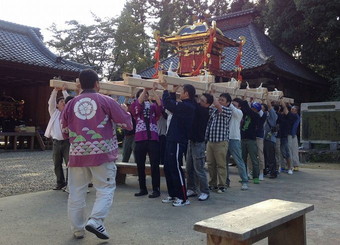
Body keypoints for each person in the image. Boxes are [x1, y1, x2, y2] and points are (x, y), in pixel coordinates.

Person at [61, 69, 132, 240]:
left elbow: (64, 131)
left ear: (79, 84)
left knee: (76, 192)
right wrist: (125, 111)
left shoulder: (70, 104)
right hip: (102, 153)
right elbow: (127, 124)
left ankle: (78, 229)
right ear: (97, 84)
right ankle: (96, 220)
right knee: (105, 188)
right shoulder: (105, 100)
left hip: (77, 154)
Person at [160, 83, 196, 207]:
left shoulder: (188, 106)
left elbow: (169, 104)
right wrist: (173, 92)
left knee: (175, 168)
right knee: (168, 167)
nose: (180, 93)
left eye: (182, 91)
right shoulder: (183, 105)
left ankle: (183, 197)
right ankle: (173, 194)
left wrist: (166, 90)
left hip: (178, 140)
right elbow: (172, 105)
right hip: (171, 138)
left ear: (187, 93)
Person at [130, 86, 162, 198]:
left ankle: (156, 189)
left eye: (146, 95)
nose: (145, 96)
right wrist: (144, 89)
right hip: (140, 138)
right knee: (140, 165)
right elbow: (138, 103)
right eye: (143, 94)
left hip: (153, 138)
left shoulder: (153, 106)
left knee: (154, 165)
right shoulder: (135, 105)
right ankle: (142, 188)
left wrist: (153, 91)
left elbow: (160, 105)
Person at [186, 93, 213, 201]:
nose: (199, 102)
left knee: (199, 169)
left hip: (199, 143)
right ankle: (192, 188)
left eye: (202, 100)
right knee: (189, 167)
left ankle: (205, 191)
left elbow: (193, 104)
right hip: (191, 141)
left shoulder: (204, 111)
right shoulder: (198, 109)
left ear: (207, 104)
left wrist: (190, 94)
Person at [205, 93, 232, 193]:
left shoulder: (228, 111)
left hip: (221, 142)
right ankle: (212, 184)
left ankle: (222, 185)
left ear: (228, 103)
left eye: (222, 100)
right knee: (210, 164)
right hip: (211, 141)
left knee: (221, 164)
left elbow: (217, 105)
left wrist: (212, 93)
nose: (220, 101)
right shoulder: (214, 111)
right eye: (219, 99)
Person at [44, 86, 70, 190]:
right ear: (58, 105)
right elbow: (51, 103)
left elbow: (70, 101)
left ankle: (70, 183)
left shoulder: (68, 113)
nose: (63, 102)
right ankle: (60, 183)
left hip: (67, 142)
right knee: (57, 164)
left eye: (64, 101)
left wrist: (64, 91)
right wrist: (55, 91)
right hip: (56, 142)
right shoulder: (54, 113)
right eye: (61, 102)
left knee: (70, 163)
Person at [227, 97, 249, 190]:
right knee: (224, 162)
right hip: (225, 138)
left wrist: (229, 102)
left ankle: (244, 181)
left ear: (239, 107)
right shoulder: (226, 111)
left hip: (234, 139)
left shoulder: (239, 113)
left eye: (235, 105)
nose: (232, 106)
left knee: (239, 161)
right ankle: (225, 181)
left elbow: (232, 108)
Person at [240, 100, 261, 184]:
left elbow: (247, 109)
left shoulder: (256, 116)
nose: (252, 109)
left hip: (251, 140)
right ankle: (244, 177)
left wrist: (245, 100)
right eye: (251, 107)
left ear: (256, 109)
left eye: (253, 108)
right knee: (242, 159)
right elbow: (244, 110)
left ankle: (256, 177)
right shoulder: (245, 114)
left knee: (254, 159)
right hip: (243, 139)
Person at [263, 98, 278, 178]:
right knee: (265, 156)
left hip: (270, 139)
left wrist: (266, 96)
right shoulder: (269, 116)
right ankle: (266, 170)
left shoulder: (273, 115)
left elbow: (269, 106)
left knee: (270, 156)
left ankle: (273, 172)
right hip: (266, 138)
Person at [288, 106, 300, 171]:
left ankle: (294, 164)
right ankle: (293, 164)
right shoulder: (295, 116)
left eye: (293, 110)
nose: (291, 110)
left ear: (296, 111)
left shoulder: (295, 117)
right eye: (291, 109)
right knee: (292, 150)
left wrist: (292, 134)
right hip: (292, 135)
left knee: (293, 150)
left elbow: (294, 127)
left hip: (292, 135)